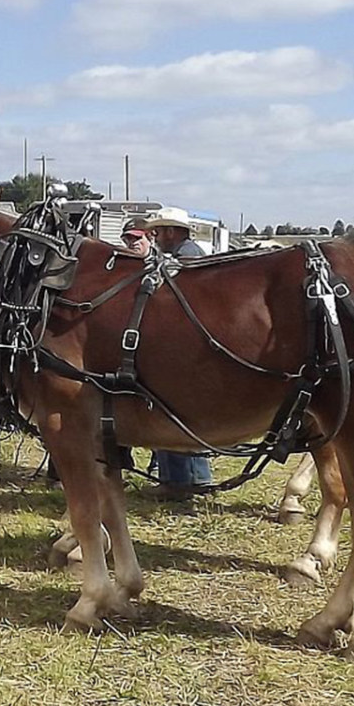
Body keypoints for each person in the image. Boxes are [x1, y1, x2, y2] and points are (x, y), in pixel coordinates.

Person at [141, 211, 214, 498]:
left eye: (158, 232)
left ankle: (180, 482)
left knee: (170, 411)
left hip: (183, 341)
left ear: (171, 232)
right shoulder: (185, 254)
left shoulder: (185, 258)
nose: (156, 238)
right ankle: (190, 479)